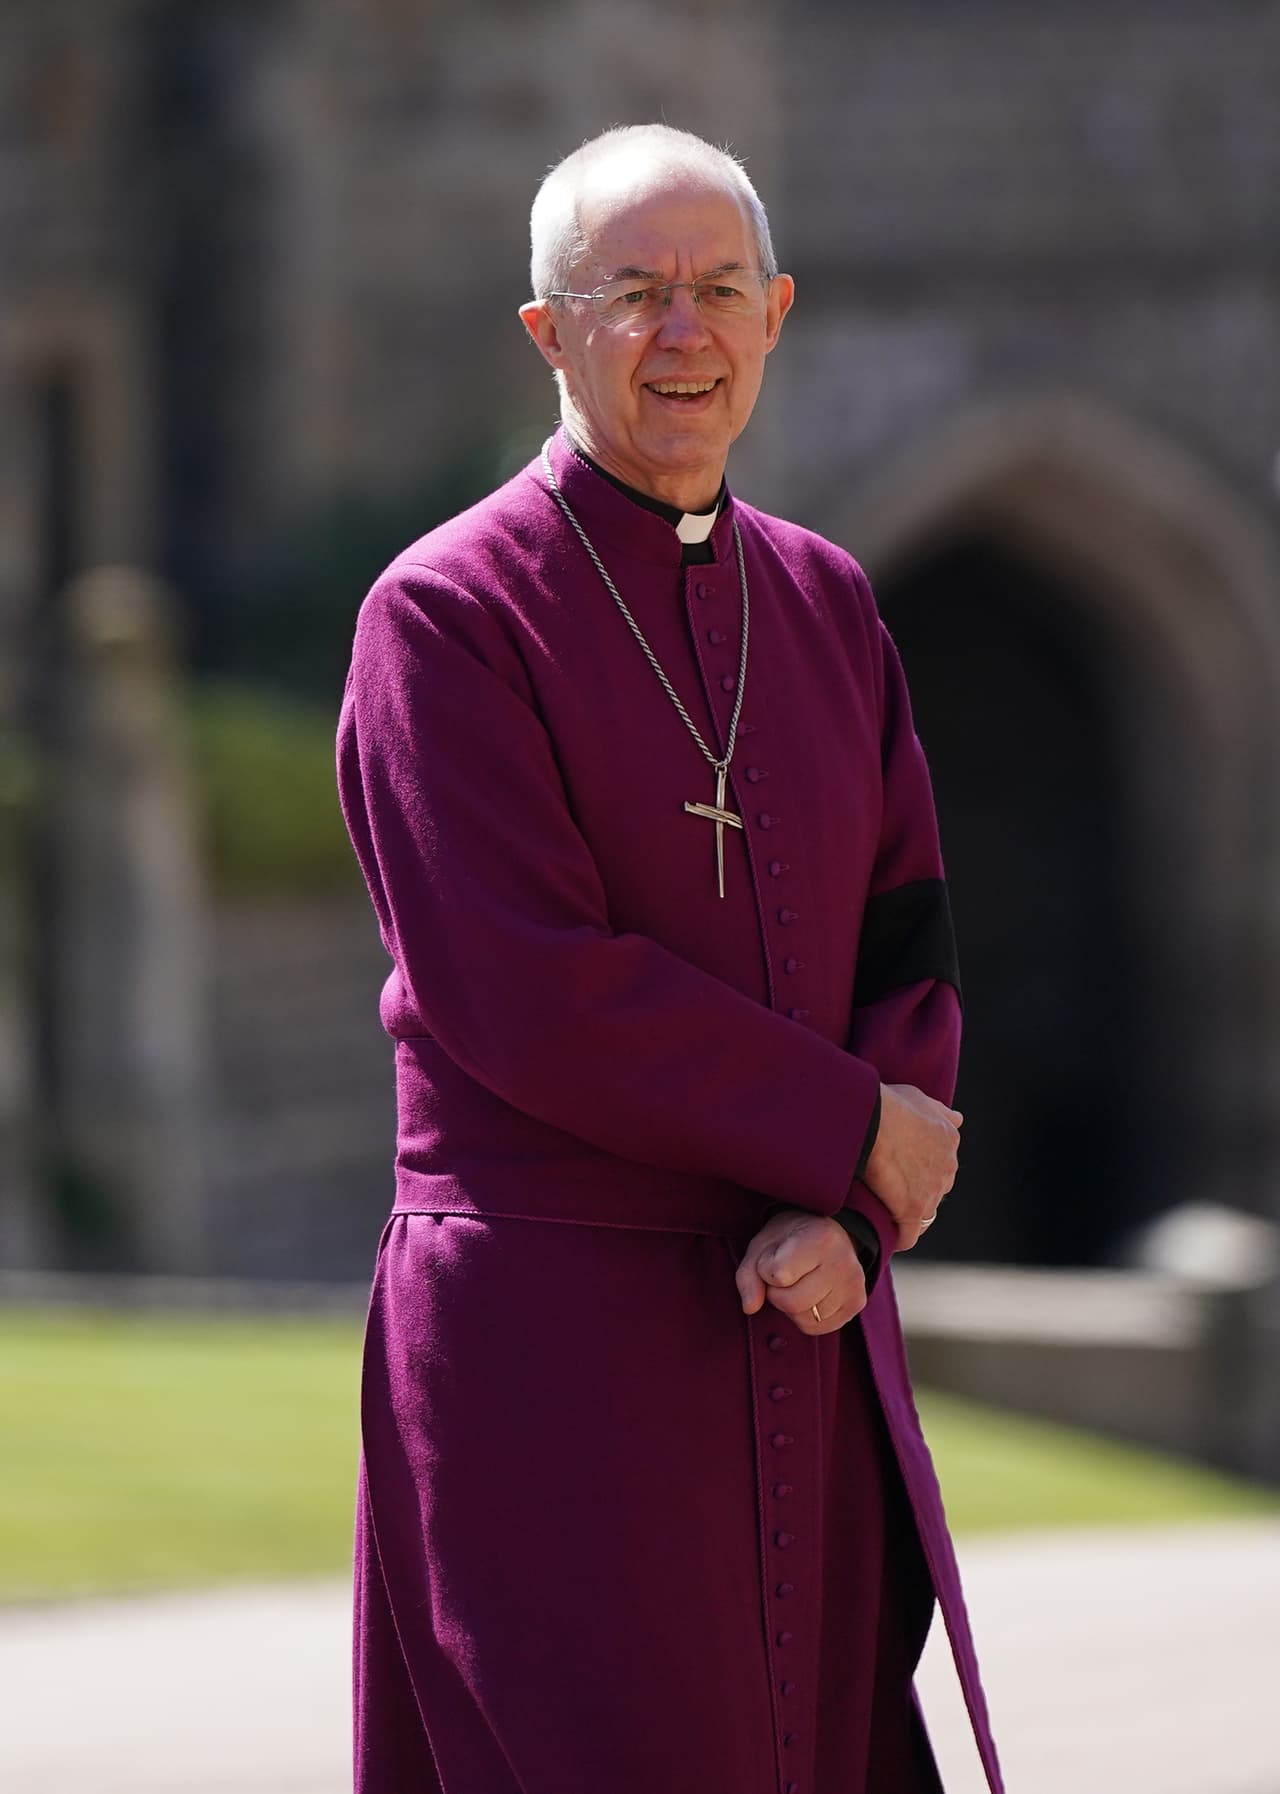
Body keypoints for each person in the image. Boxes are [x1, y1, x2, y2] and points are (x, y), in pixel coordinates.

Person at [337, 123, 1003, 1794]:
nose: (681, 331)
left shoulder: (829, 604)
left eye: (717, 289)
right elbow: (526, 986)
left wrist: (857, 1219)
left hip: (802, 1322)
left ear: (777, 314)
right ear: (548, 332)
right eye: (631, 292)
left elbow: (908, 942)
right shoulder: (446, 616)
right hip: (557, 1354)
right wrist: (850, 1134)